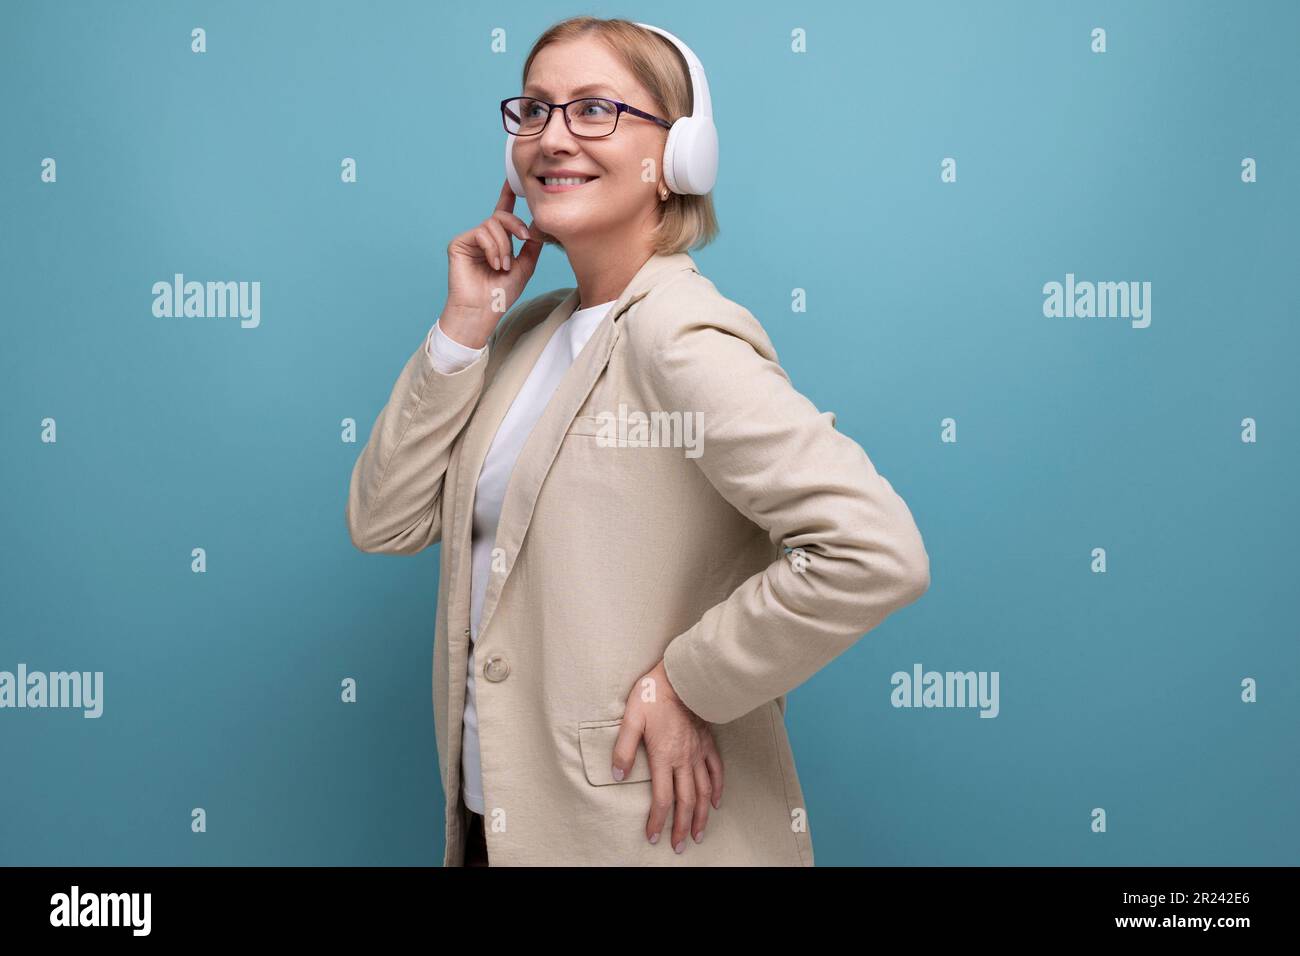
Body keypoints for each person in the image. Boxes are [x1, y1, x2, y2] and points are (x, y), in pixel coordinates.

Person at [346, 15, 930, 866]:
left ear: (680, 157)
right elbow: (384, 522)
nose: (552, 137)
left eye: (594, 110)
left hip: (636, 840)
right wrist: (465, 327)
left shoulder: (676, 334)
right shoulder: (527, 335)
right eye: (536, 110)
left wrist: (688, 682)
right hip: (499, 829)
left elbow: (874, 551)